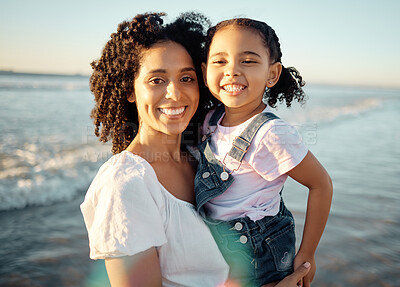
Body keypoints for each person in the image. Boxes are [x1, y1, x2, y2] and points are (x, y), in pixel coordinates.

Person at [80, 12, 314, 287]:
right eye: (157, 80)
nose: (175, 93)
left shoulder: (205, 155)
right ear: (130, 89)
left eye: (186, 78)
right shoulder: (125, 184)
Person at [195, 18, 333, 287]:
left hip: (261, 257)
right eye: (220, 61)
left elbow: (321, 184)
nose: (232, 70)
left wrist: (307, 253)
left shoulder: (272, 134)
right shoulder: (211, 119)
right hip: (219, 253)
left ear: (272, 74)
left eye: (248, 61)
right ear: (204, 71)